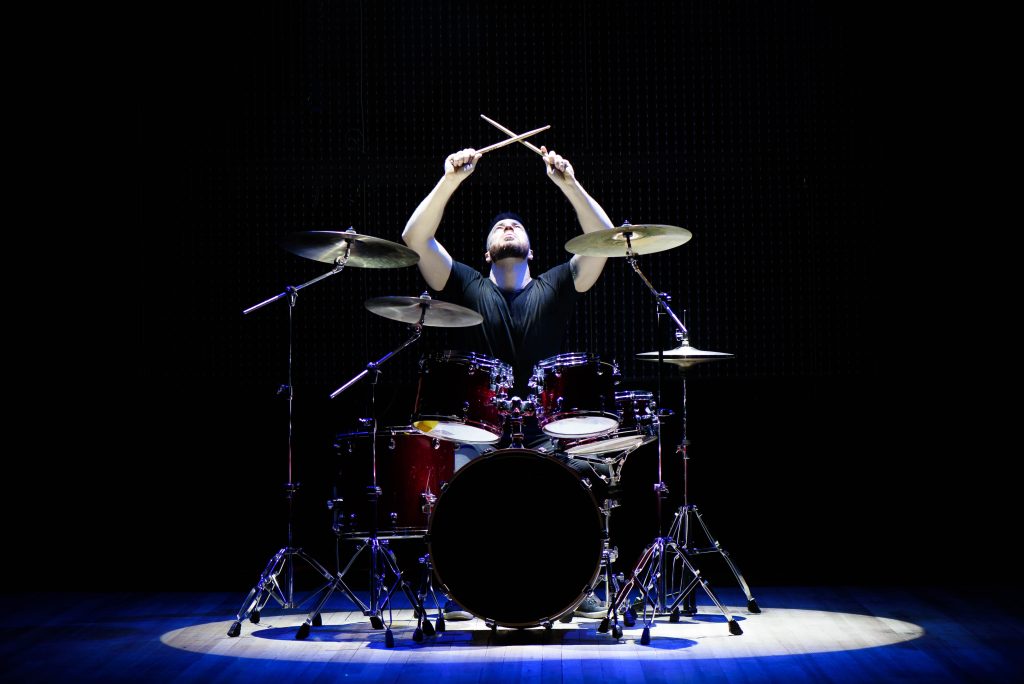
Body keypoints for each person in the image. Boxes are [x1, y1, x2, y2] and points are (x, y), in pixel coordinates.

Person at [402, 144, 616, 620]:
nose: (507, 227)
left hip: (547, 429)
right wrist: (450, 179)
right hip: (477, 430)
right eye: (499, 227)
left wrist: (568, 183)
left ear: (531, 250)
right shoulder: (466, 283)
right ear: (486, 252)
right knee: (452, 486)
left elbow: (602, 238)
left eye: (515, 226)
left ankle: (583, 580)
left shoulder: (558, 282)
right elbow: (415, 239)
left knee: (577, 484)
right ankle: (456, 583)